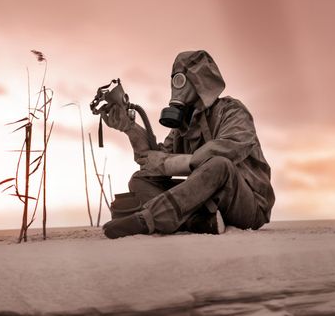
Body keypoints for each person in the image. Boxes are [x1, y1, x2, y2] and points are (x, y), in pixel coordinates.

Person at [100, 50, 275, 239]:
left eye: (181, 78)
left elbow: (226, 151)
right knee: (140, 179)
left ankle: (148, 219)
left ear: (202, 80)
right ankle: (198, 222)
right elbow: (153, 161)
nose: (177, 85)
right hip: (207, 202)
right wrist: (130, 128)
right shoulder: (182, 126)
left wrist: (166, 162)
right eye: (174, 79)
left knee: (219, 165)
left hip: (247, 204)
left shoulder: (232, 111)